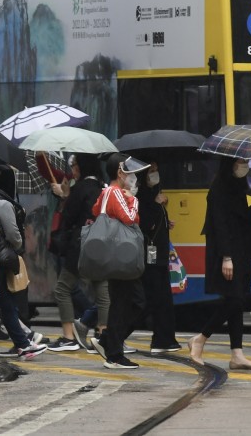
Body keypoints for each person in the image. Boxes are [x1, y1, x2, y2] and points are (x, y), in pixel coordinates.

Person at [188, 157, 251, 370]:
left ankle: (237, 354)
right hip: (226, 252)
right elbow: (220, 225)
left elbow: (241, 221)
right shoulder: (219, 189)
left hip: (241, 251)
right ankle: (200, 339)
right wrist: (226, 257)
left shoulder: (238, 186)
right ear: (230, 163)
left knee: (238, 302)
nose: (245, 165)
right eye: (242, 161)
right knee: (233, 300)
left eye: (247, 161)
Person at [88, 154, 148, 370]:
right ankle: (114, 353)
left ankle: (108, 343)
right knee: (131, 304)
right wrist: (133, 198)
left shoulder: (105, 192)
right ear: (120, 173)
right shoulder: (116, 192)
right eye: (129, 172)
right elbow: (131, 218)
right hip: (121, 255)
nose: (132, 177)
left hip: (112, 255)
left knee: (122, 303)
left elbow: (96, 211)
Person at [0, 164, 48, 360]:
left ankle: (23, 340)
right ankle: (24, 340)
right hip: (1, 258)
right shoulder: (3, 204)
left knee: (4, 301)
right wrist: (18, 245)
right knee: (1, 300)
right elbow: (15, 235)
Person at [48, 153, 109, 353]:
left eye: (74, 165)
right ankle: (102, 334)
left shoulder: (81, 188)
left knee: (62, 288)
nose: (72, 169)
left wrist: (65, 196)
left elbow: (69, 217)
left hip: (80, 245)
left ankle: (68, 337)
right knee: (101, 289)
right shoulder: (103, 188)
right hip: (100, 244)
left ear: (82, 166)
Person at [137, 161, 181, 354]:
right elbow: (143, 223)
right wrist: (156, 206)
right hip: (150, 255)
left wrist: (165, 220)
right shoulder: (142, 196)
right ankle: (112, 337)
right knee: (151, 299)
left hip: (160, 254)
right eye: (151, 171)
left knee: (163, 298)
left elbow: (155, 222)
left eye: (157, 170)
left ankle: (165, 339)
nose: (155, 174)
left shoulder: (156, 193)